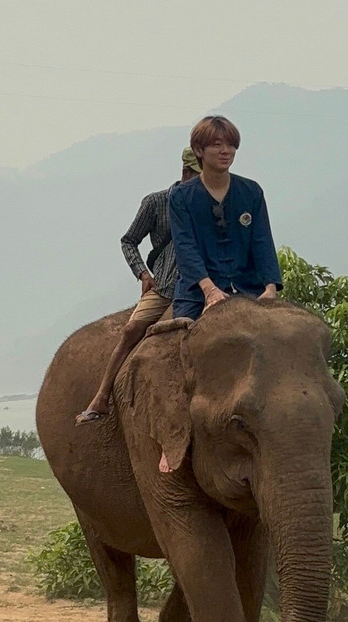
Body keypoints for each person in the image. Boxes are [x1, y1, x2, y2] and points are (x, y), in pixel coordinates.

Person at [75, 147, 202, 424]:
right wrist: (143, 273)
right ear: (186, 172)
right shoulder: (156, 203)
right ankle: (102, 396)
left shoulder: (212, 204)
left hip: (201, 285)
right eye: (200, 176)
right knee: (132, 329)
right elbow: (129, 240)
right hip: (166, 285)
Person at [169, 115, 281, 321]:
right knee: (175, 343)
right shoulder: (181, 197)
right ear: (198, 150)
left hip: (249, 288)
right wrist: (209, 290)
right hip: (196, 294)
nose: (226, 151)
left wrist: (271, 287)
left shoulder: (251, 192)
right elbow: (185, 247)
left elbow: (262, 242)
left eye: (231, 145)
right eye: (217, 145)